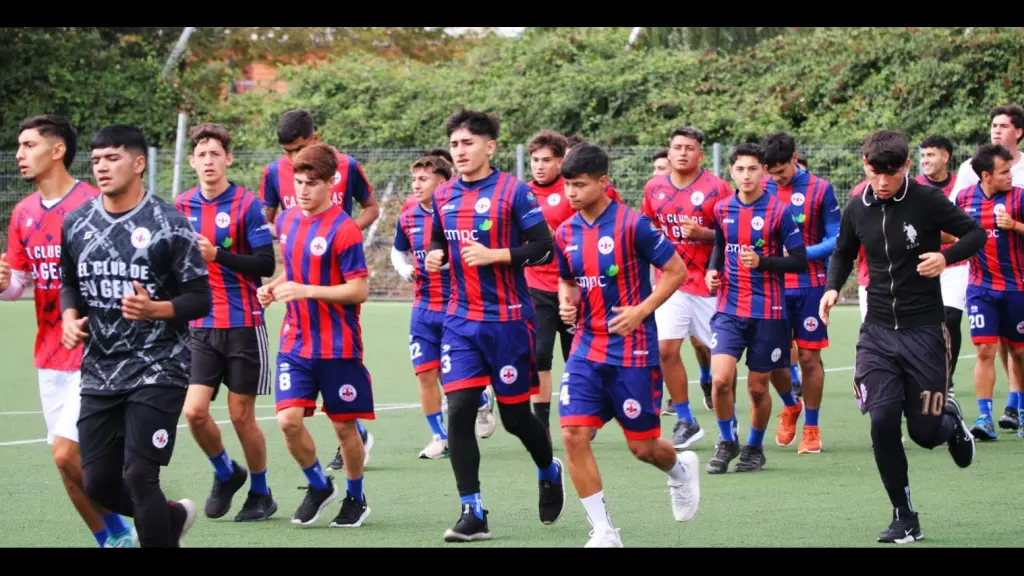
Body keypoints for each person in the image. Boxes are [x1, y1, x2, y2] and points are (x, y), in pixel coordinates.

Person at [820, 129, 980, 544]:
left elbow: (975, 234)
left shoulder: (927, 200)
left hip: (924, 332)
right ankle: (904, 515)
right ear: (865, 166)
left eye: (892, 172)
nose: (884, 181)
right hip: (876, 334)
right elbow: (841, 252)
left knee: (924, 434)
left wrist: (945, 257)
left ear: (906, 167)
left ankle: (950, 422)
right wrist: (833, 287)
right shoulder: (858, 207)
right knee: (883, 420)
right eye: (876, 172)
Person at [59, 124, 208, 547]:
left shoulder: (169, 223)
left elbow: (200, 299)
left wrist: (156, 309)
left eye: (113, 158)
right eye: (96, 160)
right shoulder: (77, 222)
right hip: (100, 371)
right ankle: (172, 517)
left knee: (140, 475)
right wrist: (70, 316)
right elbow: (69, 283)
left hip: (160, 367)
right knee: (99, 485)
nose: (102, 167)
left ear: (138, 163)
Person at [424, 109, 565, 542]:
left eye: (468, 143)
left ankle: (548, 468)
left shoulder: (514, 192)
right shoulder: (442, 195)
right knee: (461, 410)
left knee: (515, 418)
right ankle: (473, 510)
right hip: (460, 322)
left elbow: (545, 249)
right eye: (454, 144)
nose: (460, 151)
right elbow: (437, 242)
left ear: (490, 147)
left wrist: (497, 255)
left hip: (507, 323)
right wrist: (435, 257)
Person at [554, 143, 700, 548]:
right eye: (567, 185)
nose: (571, 193)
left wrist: (641, 310)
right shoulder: (564, 231)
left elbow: (676, 270)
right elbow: (567, 278)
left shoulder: (632, 225)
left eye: (579, 185)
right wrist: (568, 300)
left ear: (604, 183)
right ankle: (604, 531)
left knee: (642, 447)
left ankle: (681, 471)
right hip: (586, 347)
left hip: (633, 351)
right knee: (573, 435)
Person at [0, 115, 136, 547]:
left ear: (57, 150)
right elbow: (20, 285)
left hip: (98, 352)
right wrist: (4, 284)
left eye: (28, 145)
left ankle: (150, 520)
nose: (20, 154)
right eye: (18, 147)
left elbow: (124, 273)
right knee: (66, 464)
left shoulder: (96, 204)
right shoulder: (22, 213)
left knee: (67, 453)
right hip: (49, 354)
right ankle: (115, 538)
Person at [257, 143, 374, 528]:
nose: (303, 191)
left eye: (311, 183)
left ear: (331, 183)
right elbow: (295, 270)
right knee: (288, 421)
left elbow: (358, 290)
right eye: (299, 183)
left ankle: (356, 497)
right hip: (296, 342)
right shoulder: (288, 220)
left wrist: (306, 290)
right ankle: (318, 485)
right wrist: (275, 288)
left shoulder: (344, 230)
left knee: (344, 427)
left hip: (338, 346)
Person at [174, 123, 278, 521]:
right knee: (194, 412)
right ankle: (225, 471)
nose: (208, 161)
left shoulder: (247, 205)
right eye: (201, 155)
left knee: (240, 415)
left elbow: (265, 264)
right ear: (192, 162)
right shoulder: (181, 206)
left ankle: (261, 492)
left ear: (228, 159)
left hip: (244, 324)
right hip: (200, 325)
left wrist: (218, 255)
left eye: (215, 154)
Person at [704, 143, 808, 474]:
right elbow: (720, 245)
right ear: (731, 172)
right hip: (729, 308)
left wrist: (763, 262)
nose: (746, 175)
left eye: (753, 169)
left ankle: (754, 447)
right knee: (720, 380)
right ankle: (726, 440)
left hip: (770, 312)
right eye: (740, 169)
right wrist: (712, 270)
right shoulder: (721, 209)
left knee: (757, 387)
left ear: (763, 172)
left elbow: (800, 261)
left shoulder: (779, 211)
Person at [392, 154, 495, 459]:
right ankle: (439, 437)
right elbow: (398, 251)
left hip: (457, 306)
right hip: (423, 308)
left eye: (423, 179)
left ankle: (480, 400)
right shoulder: (408, 216)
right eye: (414, 179)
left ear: (442, 182)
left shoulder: (458, 213)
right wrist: (404, 269)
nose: (416, 185)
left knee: (451, 379)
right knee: (425, 374)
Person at [642, 126, 731, 448]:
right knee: (666, 349)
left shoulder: (718, 189)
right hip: (671, 281)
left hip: (709, 284)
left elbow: (732, 234)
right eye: (677, 147)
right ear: (669, 151)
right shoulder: (654, 187)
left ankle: (727, 426)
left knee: (720, 361)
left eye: (689, 147)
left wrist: (703, 234)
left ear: (700, 154)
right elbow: (647, 229)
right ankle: (685, 418)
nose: (682, 153)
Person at [761, 132, 841, 455]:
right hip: (771, 286)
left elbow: (836, 237)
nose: (777, 178)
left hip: (810, 285)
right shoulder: (761, 189)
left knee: (809, 357)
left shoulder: (821, 189)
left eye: (782, 170)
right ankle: (789, 405)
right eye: (772, 172)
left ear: (795, 158)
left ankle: (812, 427)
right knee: (772, 359)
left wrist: (800, 254)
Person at [951, 105, 1024, 432]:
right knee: (984, 349)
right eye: (1004, 172)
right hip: (980, 288)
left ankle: (1020, 410)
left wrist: (1016, 226)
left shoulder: (1019, 198)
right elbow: (949, 231)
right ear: (986, 176)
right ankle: (984, 417)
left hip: (1016, 287)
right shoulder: (965, 199)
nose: (1010, 176)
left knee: (1019, 353)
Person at [915, 135, 964, 399]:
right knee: (925, 323)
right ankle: (925, 373)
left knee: (952, 317)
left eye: (931, 155)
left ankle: (948, 377)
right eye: (923, 156)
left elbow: (965, 226)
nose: (926, 161)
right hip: (923, 263)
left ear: (946, 156)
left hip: (956, 262)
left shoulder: (962, 184)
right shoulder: (913, 187)